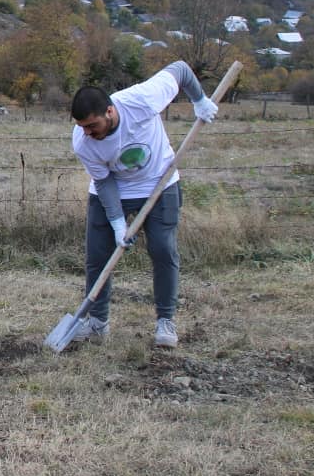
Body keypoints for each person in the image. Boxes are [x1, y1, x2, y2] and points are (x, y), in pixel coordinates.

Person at [68, 61, 219, 348]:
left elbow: (182, 69)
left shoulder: (143, 99)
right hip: (112, 191)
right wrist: (117, 223)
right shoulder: (83, 142)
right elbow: (104, 182)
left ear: (110, 111)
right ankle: (97, 324)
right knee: (98, 258)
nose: (87, 133)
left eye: (92, 125)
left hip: (159, 183)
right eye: (82, 127)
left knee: (163, 249)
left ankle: (165, 321)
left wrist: (199, 100)